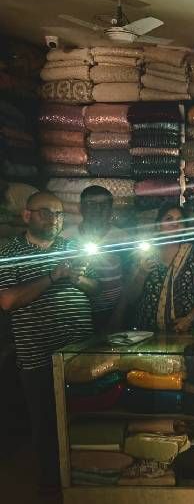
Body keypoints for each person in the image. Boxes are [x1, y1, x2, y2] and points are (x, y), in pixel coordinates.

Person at [0, 192, 99, 492]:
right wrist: (53, 276)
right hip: (38, 356)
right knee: (46, 425)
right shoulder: (10, 251)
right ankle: (53, 487)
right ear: (26, 215)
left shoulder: (72, 247)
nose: (54, 220)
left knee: (84, 419)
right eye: (46, 212)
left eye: (58, 214)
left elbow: (95, 288)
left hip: (79, 352)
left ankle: (87, 482)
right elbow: (7, 300)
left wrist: (78, 279)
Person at [128, 203, 194, 332]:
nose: (175, 224)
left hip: (184, 331)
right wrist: (142, 273)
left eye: (180, 221)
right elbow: (130, 298)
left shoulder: (193, 254)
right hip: (148, 331)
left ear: (185, 227)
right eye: (169, 219)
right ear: (158, 226)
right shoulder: (145, 254)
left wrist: (189, 319)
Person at [64, 185, 131, 332]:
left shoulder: (122, 237)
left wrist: (119, 312)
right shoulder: (65, 237)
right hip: (77, 314)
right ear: (80, 208)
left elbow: (129, 278)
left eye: (104, 205)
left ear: (111, 209)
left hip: (114, 312)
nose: (98, 209)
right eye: (91, 204)